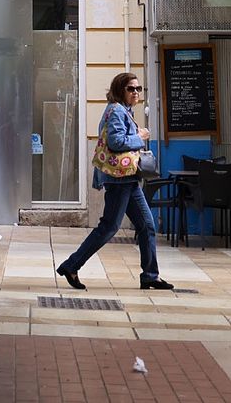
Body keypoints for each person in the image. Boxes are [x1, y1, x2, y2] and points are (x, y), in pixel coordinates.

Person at [54, 72, 172, 291]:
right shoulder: (116, 111)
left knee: (146, 226)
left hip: (128, 180)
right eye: (131, 89)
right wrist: (141, 137)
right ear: (120, 90)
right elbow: (116, 142)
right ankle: (71, 266)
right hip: (119, 180)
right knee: (109, 227)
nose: (136, 92)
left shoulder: (122, 111)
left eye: (138, 89)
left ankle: (150, 276)